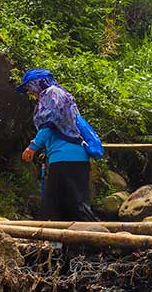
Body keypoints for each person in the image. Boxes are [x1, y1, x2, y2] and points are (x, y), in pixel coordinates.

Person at [16, 68, 99, 221]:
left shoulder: (51, 93)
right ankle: (62, 243)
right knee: (58, 205)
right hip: (66, 157)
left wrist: (33, 146)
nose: (29, 92)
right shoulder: (59, 95)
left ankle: (103, 239)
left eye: (29, 87)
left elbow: (49, 123)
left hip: (66, 157)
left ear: (38, 83)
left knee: (75, 205)